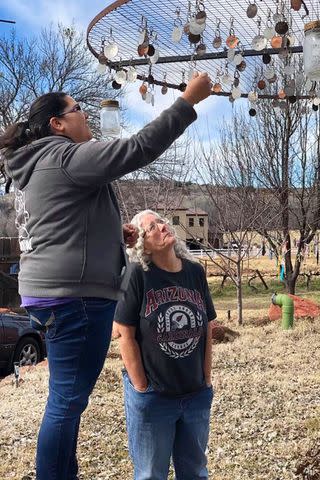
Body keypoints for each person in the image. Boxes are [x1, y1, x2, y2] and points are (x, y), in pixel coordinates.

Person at [0, 72, 212, 480]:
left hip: (49, 294)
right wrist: (187, 102)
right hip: (75, 297)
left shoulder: (33, 166)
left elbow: (59, 225)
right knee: (65, 403)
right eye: (78, 110)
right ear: (56, 124)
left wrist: (115, 236)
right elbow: (137, 149)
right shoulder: (63, 156)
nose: (86, 116)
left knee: (66, 399)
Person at [114, 209, 216, 480]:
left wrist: (206, 380)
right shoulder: (136, 275)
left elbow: (206, 325)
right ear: (141, 244)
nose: (161, 227)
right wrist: (142, 388)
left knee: (195, 472)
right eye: (150, 228)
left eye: (161, 221)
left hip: (195, 395)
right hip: (154, 398)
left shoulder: (195, 272)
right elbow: (125, 334)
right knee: (150, 475)